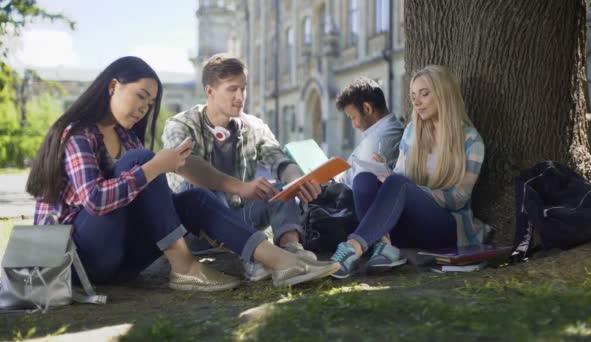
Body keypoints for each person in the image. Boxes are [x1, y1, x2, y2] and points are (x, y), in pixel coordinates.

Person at [25, 56, 339, 291]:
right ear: (112, 86)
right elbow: (94, 201)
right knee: (141, 159)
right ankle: (185, 266)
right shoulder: (78, 133)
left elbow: (154, 203)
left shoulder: (128, 137)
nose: (143, 109)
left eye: (149, 105)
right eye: (140, 96)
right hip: (79, 261)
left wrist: (194, 208)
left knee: (193, 200)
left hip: (122, 265)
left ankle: (280, 261)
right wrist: (153, 167)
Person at [162, 53, 321, 280]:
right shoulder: (180, 125)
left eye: (243, 89)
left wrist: (298, 180)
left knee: (277, 188)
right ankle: (255, 258)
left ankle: (291, 251)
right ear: (210, 91)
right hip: (194, 229)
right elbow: (184, 165)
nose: (240, 97)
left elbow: (278, 158)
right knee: (200, 189)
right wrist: (239, 187)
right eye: (232, 89)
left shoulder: (254, 125)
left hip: (240, 214)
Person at [329, 65, 490, 278]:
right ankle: (384, 248)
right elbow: (401, 180)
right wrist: (384, 172)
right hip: (408, 227)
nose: (416, 101)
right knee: (363, 179)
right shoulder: (412, 132)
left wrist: (412, 188)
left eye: (424, 93)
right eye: (413, 95)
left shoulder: (471, 141)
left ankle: (353, 248)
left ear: (443, 94)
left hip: (446, 228)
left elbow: (458, 199)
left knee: (397, 184)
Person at [334, 77, 404, 187]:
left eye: (353, 117)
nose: (353, 124)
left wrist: (333, 179)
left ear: (367, 109)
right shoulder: (382, 130)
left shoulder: (378, 140)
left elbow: (354, 187)